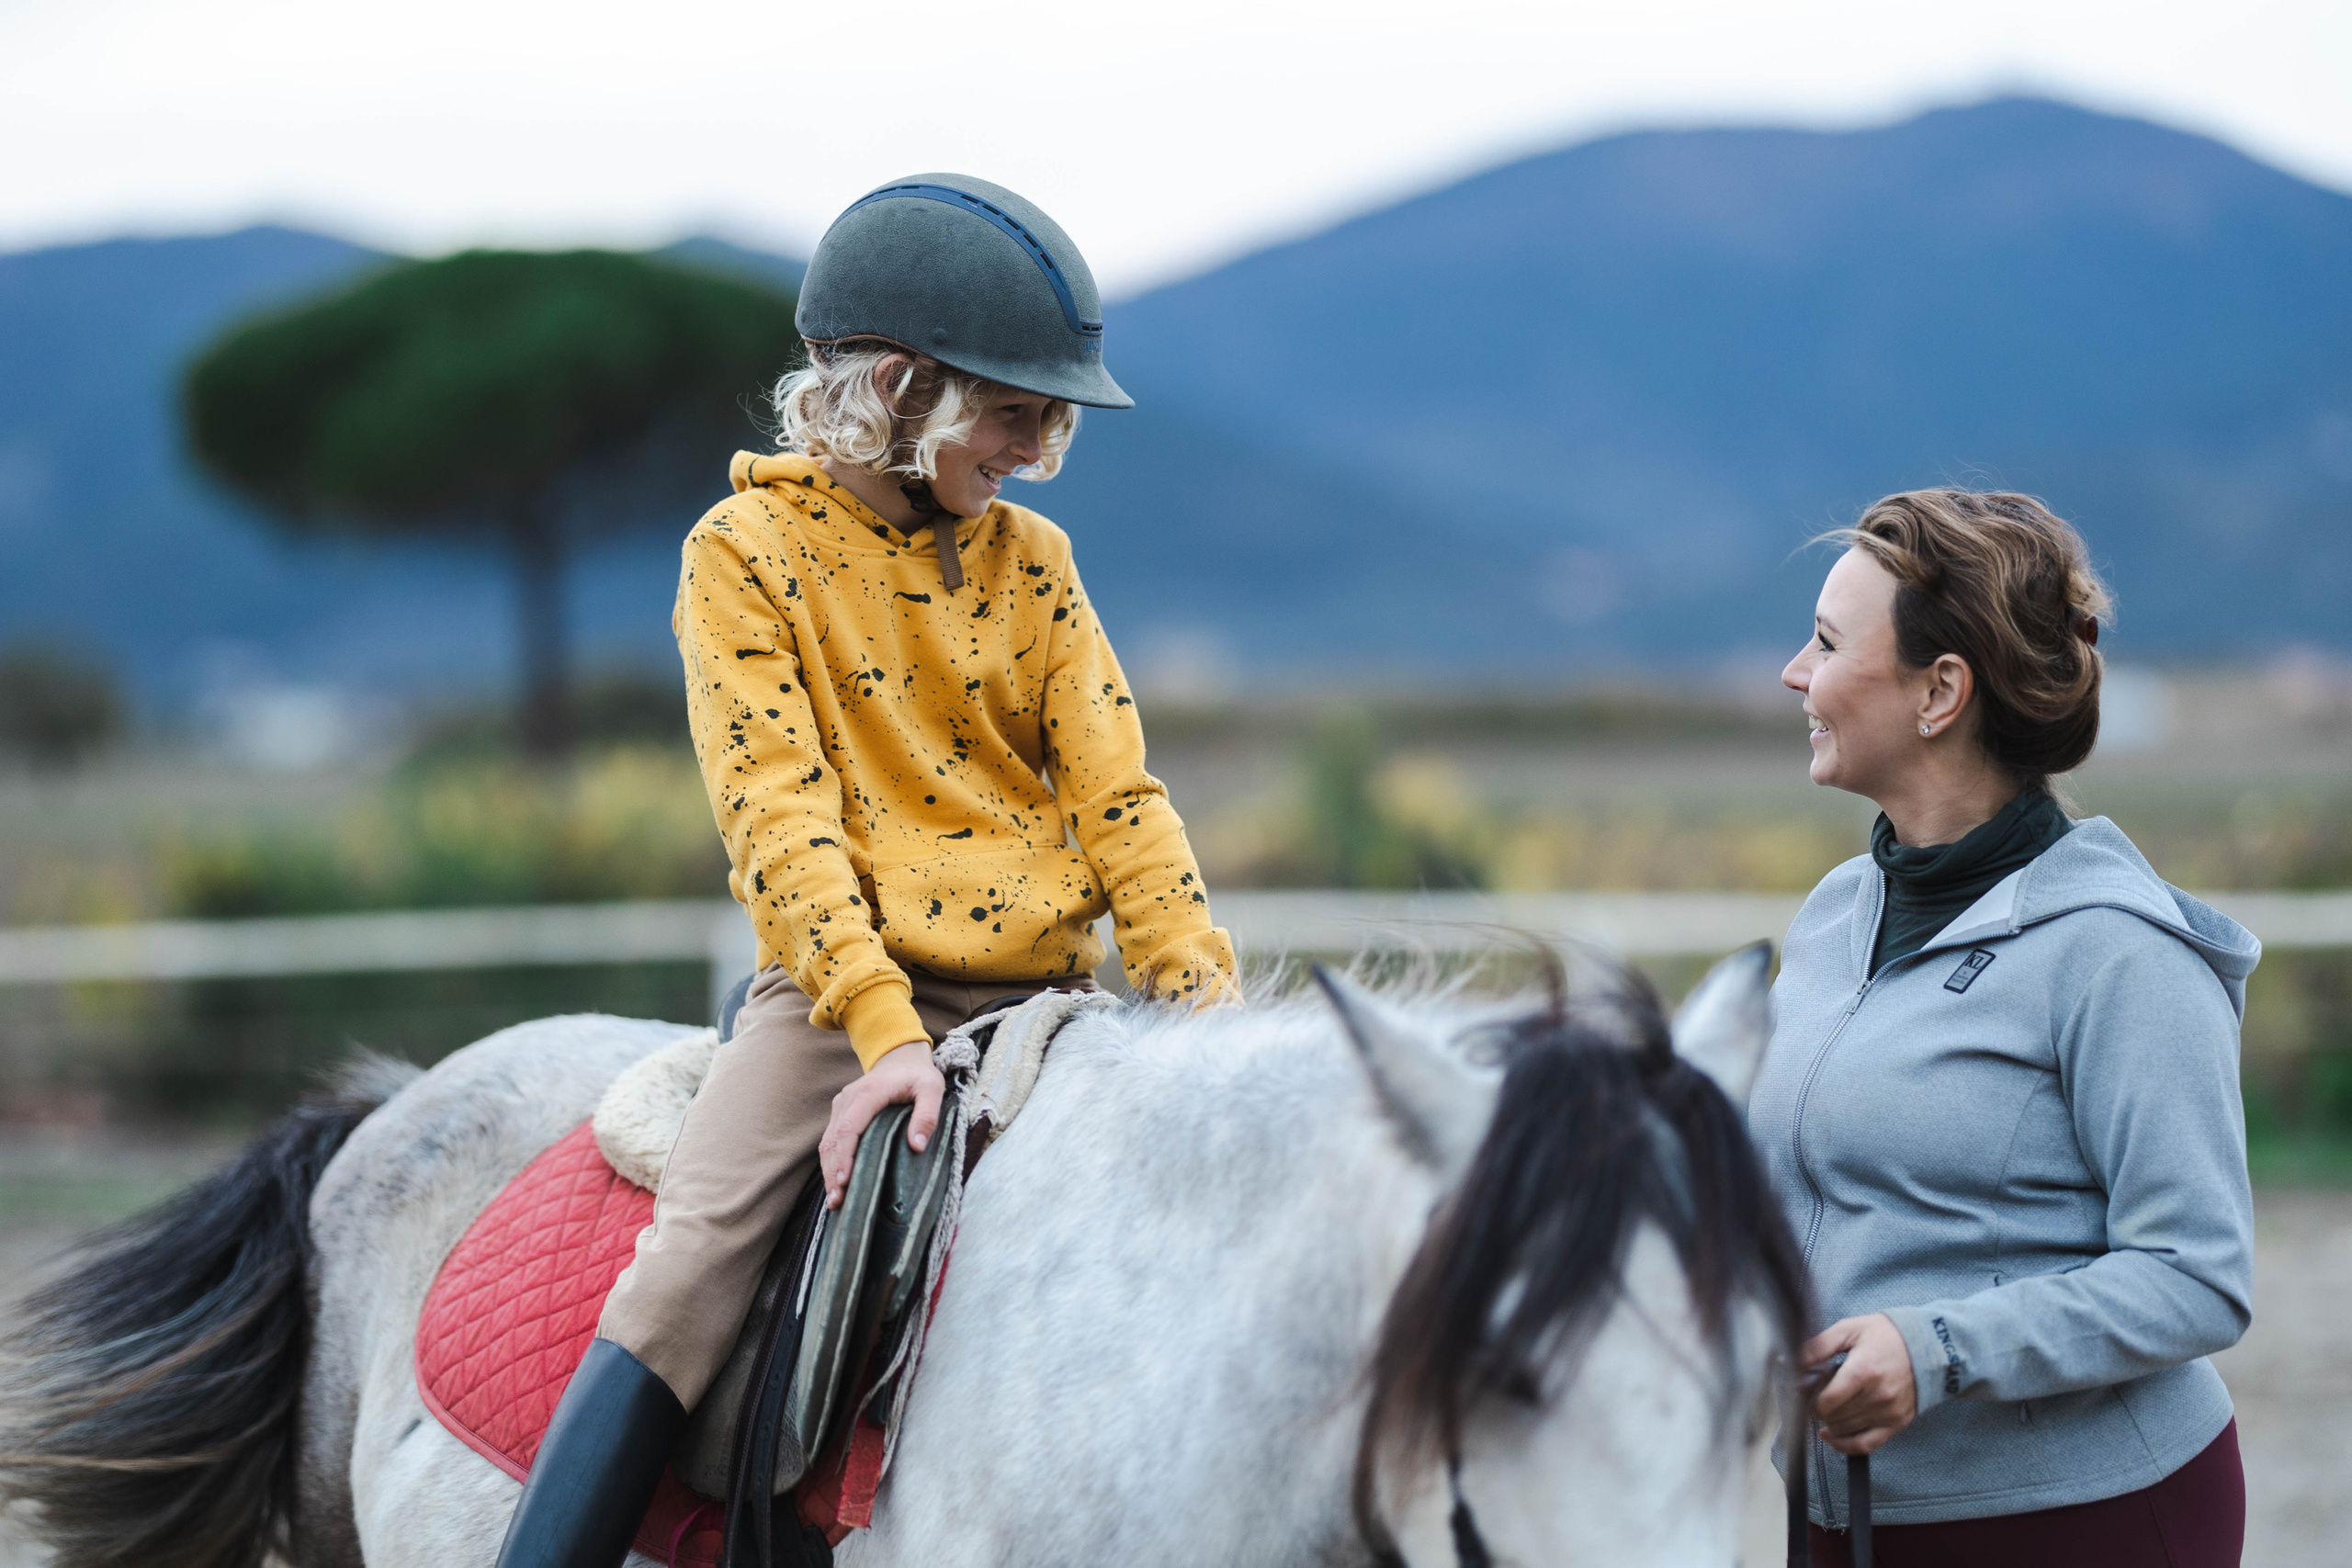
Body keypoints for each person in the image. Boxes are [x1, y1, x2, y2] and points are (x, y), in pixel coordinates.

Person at [492, 175, 1238, 1568]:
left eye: (1049, 413)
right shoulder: (745, 555)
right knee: (693, 1266)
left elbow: (1121, 799)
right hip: (842, 1004)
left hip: (1046, 999)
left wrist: (1208, 1007)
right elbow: (780, 821)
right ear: (898, 387)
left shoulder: (1039, 562)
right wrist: (884, 1030)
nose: (1036, 442)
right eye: (1013, 409)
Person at [1747, 489, 2258, 1567]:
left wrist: (1931, 1351)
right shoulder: (1834, 913)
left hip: (2079, 1517)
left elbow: (2196, 1274)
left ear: (1939, 691)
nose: (1795, 673)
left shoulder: (2121, 956)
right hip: (1844, 1510)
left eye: (1828, 643)